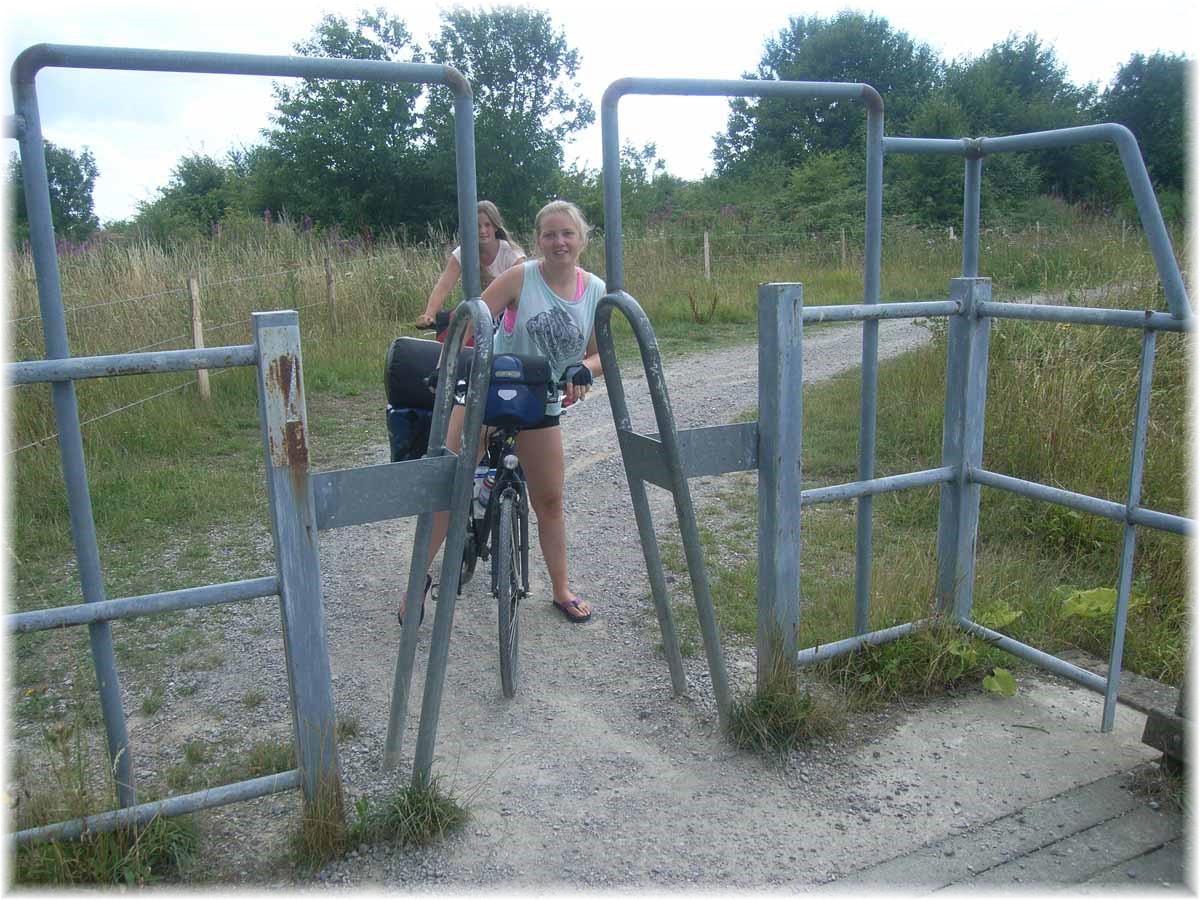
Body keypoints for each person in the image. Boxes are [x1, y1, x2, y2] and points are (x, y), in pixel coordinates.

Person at [400, 200, 604, 626]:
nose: (558, 242)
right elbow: (467, 321)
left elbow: (601, 354)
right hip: (490, 391)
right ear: (537, 240)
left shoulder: (597, 291)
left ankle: (561, 589)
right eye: (549, 234)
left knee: (549, 499)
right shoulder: (521, 277)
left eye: (566, 233)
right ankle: (417, 581)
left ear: (582, 239)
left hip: (541, 402)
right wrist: (446, 371)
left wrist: (585, 369)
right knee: (450, 487)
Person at [415, 200, 526, 329]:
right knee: (447, 321)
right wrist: (430, 314)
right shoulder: (464, 253)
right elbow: (444, 285)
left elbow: (522, 294)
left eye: (487, 225)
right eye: (477, 226)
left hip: (507, 315)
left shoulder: (511, 254)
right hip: (477, 312)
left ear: (496, 226)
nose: (482, 230)